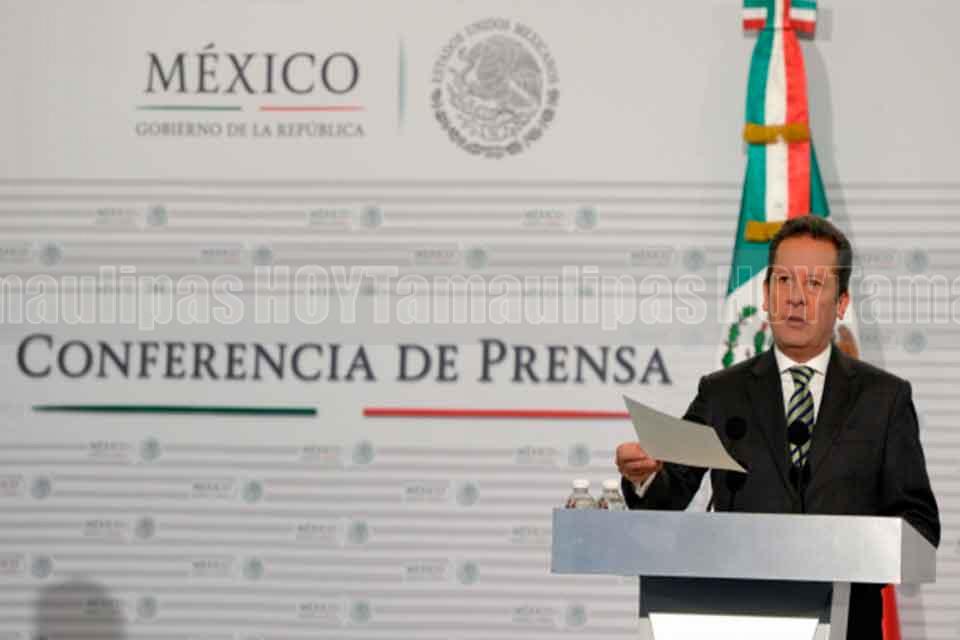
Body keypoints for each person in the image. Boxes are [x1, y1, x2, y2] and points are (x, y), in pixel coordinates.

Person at [615, 215, 940, 639]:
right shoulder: (723, 392)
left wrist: (854, 551)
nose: (796, 298)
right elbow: (669, 492)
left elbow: (919, 523)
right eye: (784, 281)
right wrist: (643, 477)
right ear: (766, 294)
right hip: (741, 619)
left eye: (814, 283)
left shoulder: (884, 399)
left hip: (848, 623)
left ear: (842, 303)